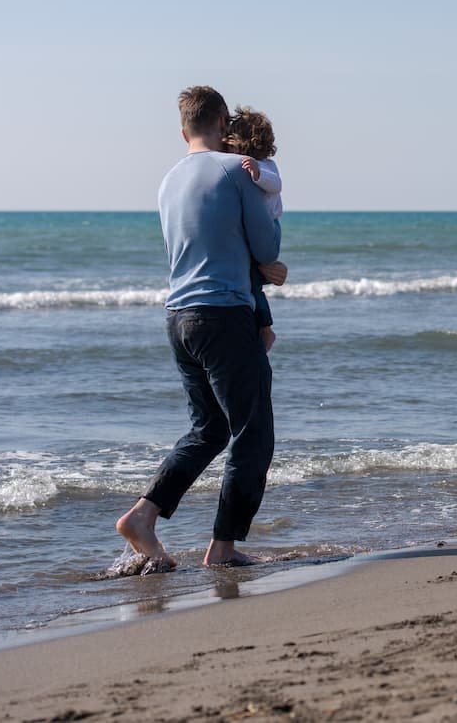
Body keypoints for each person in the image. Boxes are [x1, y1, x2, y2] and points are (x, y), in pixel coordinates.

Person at [115, 85, 287, 571]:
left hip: (179, 319)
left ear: (183, 128)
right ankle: (223, 548)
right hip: (224, 316)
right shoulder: (236, 170)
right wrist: (270, 267)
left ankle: (143, 516)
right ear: (222, 120)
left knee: (209, 428)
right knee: (253, 435)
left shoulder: (168, 180)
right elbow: (267, 245)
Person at [224, 105, 283, 352]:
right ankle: (264, 327)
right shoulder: (244, 166)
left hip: (270, 227)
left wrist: (258, 174)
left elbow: (275, 185)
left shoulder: (264, 165)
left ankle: (266, 327)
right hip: (256, 231)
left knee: (252, 280)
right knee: (253, 280)